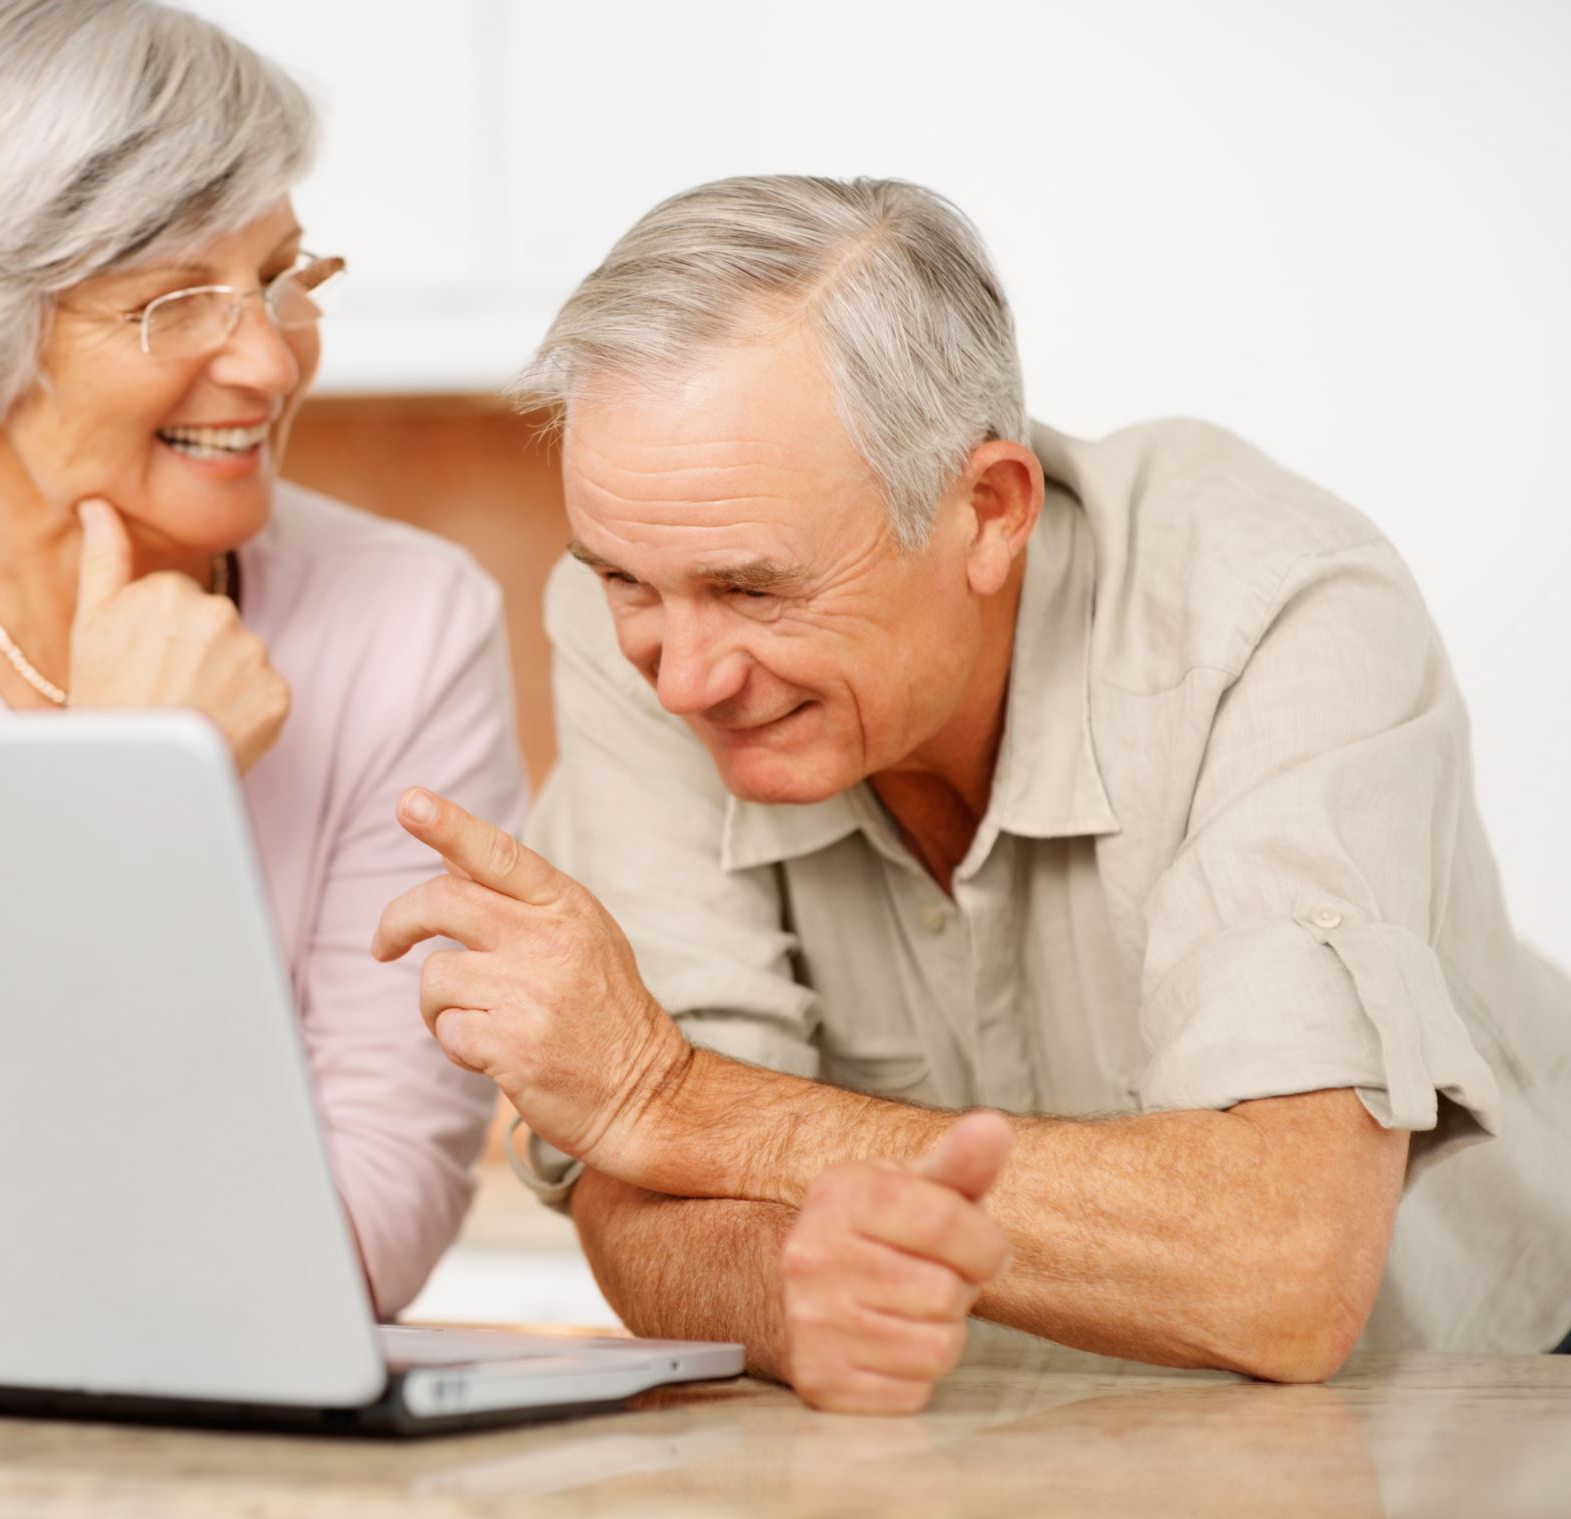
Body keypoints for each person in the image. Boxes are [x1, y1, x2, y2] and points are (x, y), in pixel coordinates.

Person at [373, 174, 1571, 1408]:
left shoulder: (1270, 608)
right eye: (624, 578)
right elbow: (645, 1193)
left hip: (1475, 1396)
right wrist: (778, 1287)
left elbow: (1282, 1259)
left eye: (752, 589)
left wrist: (666, 1093)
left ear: (988, 513)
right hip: (1001, 1432)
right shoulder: (640, 624)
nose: (681, 675)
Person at [0, 0, 527, 1317]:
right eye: (173, 300)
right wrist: (123, 791)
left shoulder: (409, 620)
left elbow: (364, 1227)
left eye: (282, 277)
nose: (267, 356)